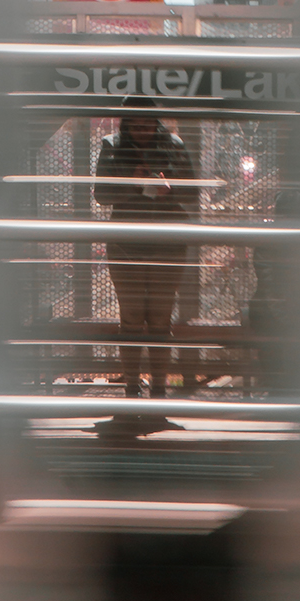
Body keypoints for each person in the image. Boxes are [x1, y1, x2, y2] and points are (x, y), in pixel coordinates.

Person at [93, 96, 198, 400]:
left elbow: (192, 192)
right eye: (135, 124)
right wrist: (134, 184)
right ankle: (131, 387)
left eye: (147, 123)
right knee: (131, 318)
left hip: (167, 244)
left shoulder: (174, 145)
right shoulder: (111, 145)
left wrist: (171, 188)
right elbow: (101, 194)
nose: (141, 129)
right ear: (125, 123)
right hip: (127, 245)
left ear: (156, 122)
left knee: (161, 319)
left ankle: (159, 387)